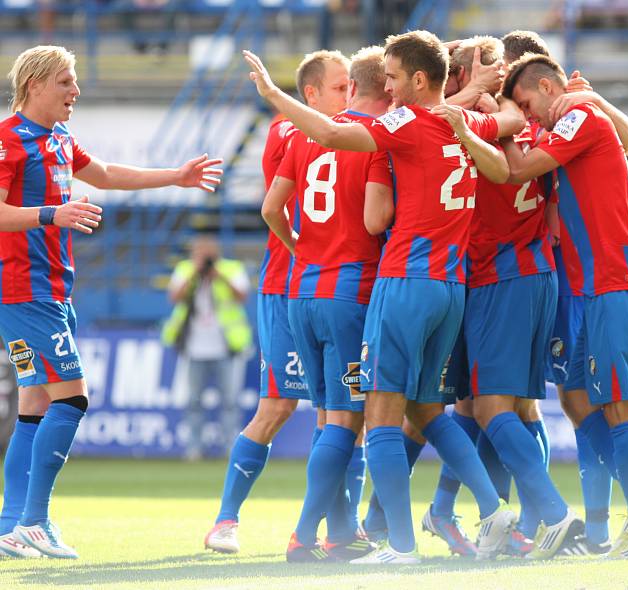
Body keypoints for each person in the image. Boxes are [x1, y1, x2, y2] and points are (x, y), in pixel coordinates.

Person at [243, 29, 526, 565]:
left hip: (400, 282)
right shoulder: (462, 124)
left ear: (418, 79)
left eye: (396, 78)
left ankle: (398, 544)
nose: (390, 89)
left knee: (378, 413)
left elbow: (330, 135)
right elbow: (501, 159)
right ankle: (492, 509)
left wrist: (274, 96)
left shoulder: (401, 124)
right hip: (451, 286)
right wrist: (474, 106)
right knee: (427, 409)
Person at [0, 45, 222, 559]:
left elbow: (103, 173)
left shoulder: (56, 137)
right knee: (73, 399)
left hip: (51, 290)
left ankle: (13, 524)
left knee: (35, 404)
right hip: (26, 291)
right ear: (34, 84)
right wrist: (52, 214)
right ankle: (34, 520)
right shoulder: (9, 141)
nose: (75, 90)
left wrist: (176, 177)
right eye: (65, 81)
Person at [501, 53, 628, 559]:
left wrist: (502, 126)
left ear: (549, 88)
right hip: (601, 287)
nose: (527, 118)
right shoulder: (581, 116)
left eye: (528, 106)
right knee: (577, 396)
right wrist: (596, 98)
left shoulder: (577, 116)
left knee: (620, 406)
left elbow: (521, 168)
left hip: (619, 281)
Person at [202, 49, 350, 555]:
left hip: (330, 286)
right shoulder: (290, 130)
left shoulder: (348, 130)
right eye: (339, 87)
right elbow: (275, 206)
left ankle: (326, 531)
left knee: (340, 413)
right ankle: (226, 519)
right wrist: (298, 248)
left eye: (353, 85)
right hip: (288, 286)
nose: (348, 95)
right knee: (278, 406)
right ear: (309, 95)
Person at [263, 45, 395, 562]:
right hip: (349, 295)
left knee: (328, 418)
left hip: (303, 292)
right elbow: (372, 223)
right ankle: (303, 535)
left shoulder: (304, 134)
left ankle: (342, 534)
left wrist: (303, 248)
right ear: (385, 87)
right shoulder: (376, 142)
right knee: (347, 421)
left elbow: (271, 208)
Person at [162, 235, 251, 460]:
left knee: (230, 400)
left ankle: (231, 446)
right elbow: (174, 297)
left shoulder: (231, 269)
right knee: (193, 400)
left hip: (226, 346)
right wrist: (195, 273)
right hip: (194, 346)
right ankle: (194, 448)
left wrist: (218, 275)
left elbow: (242, 296)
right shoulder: (185, 269)